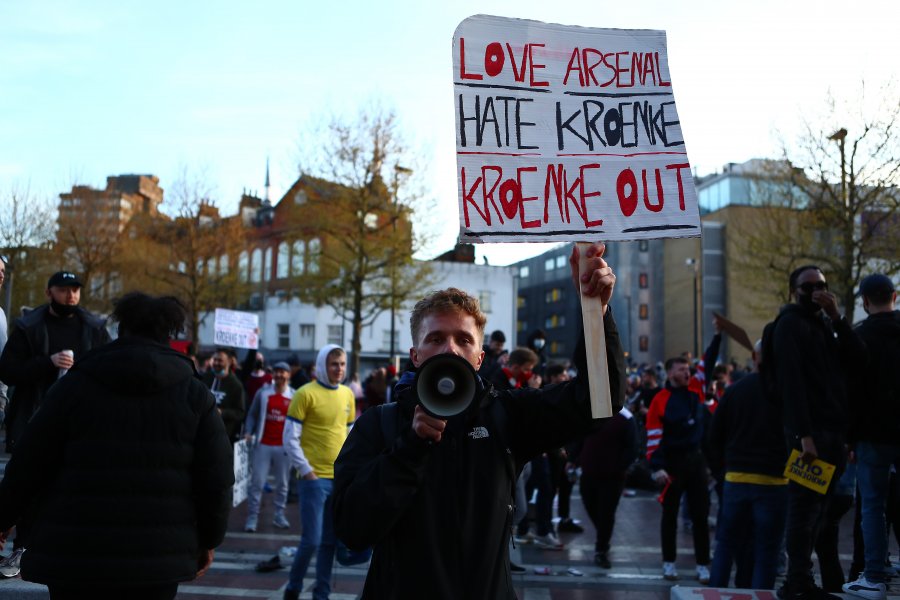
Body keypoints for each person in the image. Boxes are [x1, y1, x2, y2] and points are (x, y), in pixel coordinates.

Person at [332, 242, 625, 599]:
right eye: (436, 338)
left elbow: (597, 402)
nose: (449, 349)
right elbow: (350, 528)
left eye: (463, 339)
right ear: (415, 354)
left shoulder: (507, 414)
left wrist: (594, 311)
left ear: (479, 357)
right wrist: (408, 450)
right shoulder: (379, 425)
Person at [0, 292, 233, 599]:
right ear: (168, 334)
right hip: (157, 557)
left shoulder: (75, 384)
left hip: (77, 551)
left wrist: (4, 519)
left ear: (121, 329)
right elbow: (216, 478)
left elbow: (29, 461)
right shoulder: (195, 394)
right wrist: (209, 539)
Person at [769, 265, 865, 600]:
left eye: (821, 285)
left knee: (819, 511)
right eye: (808, 286)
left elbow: (858, 360)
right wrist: (803, 435)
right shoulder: (790, 325)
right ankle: (796, 581)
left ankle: (801, 580)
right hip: (810, 436)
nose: (815, 291)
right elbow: (791, 384)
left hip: (832, 434)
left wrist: (837, 317)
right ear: (794, 290)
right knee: (804, 509)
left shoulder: (823, 324)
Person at [0, 271, 111, 454]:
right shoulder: (28, 327)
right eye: (63, 290)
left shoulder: (95, 328)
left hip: (81, 420)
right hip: (34, 419)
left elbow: (108, 369)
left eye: (75, 290)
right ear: (48, 293)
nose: (71, 296)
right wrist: (47, 363)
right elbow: (7, 371)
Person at [708, 339, 788, 589]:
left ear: (754, 356)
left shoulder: (734, 391)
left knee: (726, 544)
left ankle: (715, 592)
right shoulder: (786, 393)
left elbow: (713, 437)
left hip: (736, 478)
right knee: (767, 551)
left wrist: (720, 472)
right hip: (774, 481)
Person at [281, 344, 355, 600]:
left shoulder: (348, 394)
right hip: (313, 479)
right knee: (311, 541)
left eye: (343, 364)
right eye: (334, 364)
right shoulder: (304, 394)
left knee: (329, 543)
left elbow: (348, 434)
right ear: (322, 365)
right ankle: (293, 588)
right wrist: (307, 471)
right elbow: (289, 438)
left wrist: (349, 470)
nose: (339, 369)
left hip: (338, 479)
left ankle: (321, 594)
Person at [843, 273, 900, 600]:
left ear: (864, 301)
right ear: (894, 296)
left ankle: (874, 575)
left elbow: (853, 394)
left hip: (873, 434)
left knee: (873, 506)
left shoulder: (859, 337)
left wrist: (850, 438)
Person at [646, 356, 712, 584]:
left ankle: (703, 564)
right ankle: (669, 562)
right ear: (670, 373)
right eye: (682, 369)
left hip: (696, 463)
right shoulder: (660, 400)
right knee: (670, 516)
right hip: (672, 465)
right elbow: (654, 437)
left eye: (688, 369)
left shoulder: (696, 391)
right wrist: (657, 467)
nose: (687, 372)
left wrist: (716, 335)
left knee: (700, 516)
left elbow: (708, 364)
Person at [572, 402, 637, 569]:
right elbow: (580, 437)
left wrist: (619, 467)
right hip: (589, 473)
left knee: (606, 513)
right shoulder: (591, 411)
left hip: (613, 478)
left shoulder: (626, 417)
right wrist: (574, 460)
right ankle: (604, 536)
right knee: (590, 506)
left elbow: (633, 448)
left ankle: (601, 549)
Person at [243, 361, 295, 533]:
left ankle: (279, 515)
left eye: (283, 372)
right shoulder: (263, 393)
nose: (279, 375)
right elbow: (252, 414)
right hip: (263, 444)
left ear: (288, 375)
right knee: (256, 483)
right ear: (273, 375)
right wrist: (249, 431)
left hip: (284, 447)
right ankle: (252, 517)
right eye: (277, 372)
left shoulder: (294, 396)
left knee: (283, 484)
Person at [201, 348, 247, 443]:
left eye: (220, 360)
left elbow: (240, 413)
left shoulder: (236, 385)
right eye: (215, 360)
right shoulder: (205, 378)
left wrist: (222, 412)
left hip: (223, 436)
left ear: (229, 361)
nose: (216, 363)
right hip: (202, 431)